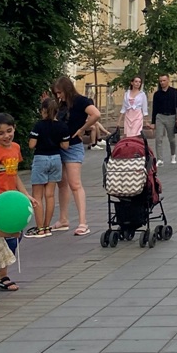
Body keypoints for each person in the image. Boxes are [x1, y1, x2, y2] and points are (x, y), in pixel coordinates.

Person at [0, 112, 38, 292]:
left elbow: (14, 177)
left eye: (9, 131)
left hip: (13, 200)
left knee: (15, 236)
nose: (6, 136)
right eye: (1, 133)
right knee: (6, 239)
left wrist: (26, 195)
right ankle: (0, 276)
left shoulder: (15, 147)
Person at [52, 76, 101, 236]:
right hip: (59, 146)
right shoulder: (61, 104)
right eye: (56, 93)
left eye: (59, 92)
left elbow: (96, 114)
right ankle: (63, 219)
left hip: (73, 146)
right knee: (62, 184)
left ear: (67, 89)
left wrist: (82, 129)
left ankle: (82, 222)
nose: (58, 96)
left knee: (75, 183)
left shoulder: (80, 101)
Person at [25, 98, 70, 239]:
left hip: (41, 159)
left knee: (37, 196)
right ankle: (47, 226)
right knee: (50, 195)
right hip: (56, 159)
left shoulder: (39, 125)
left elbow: (32, 144)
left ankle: (39, 229)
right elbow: (65, 146)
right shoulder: (62, 126)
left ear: (43, 111)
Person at [152, 73, 177, 166]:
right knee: (158, 138)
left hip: (171, 117)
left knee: (171, 139)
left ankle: (173, 155)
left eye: (164, 80)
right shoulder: (157, 94)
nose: (162, 82)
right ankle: (160, 159)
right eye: (160, 81)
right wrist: (153, 122)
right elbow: (154, 109)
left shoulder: (174, 92)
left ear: (168, 80)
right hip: (160, 117)